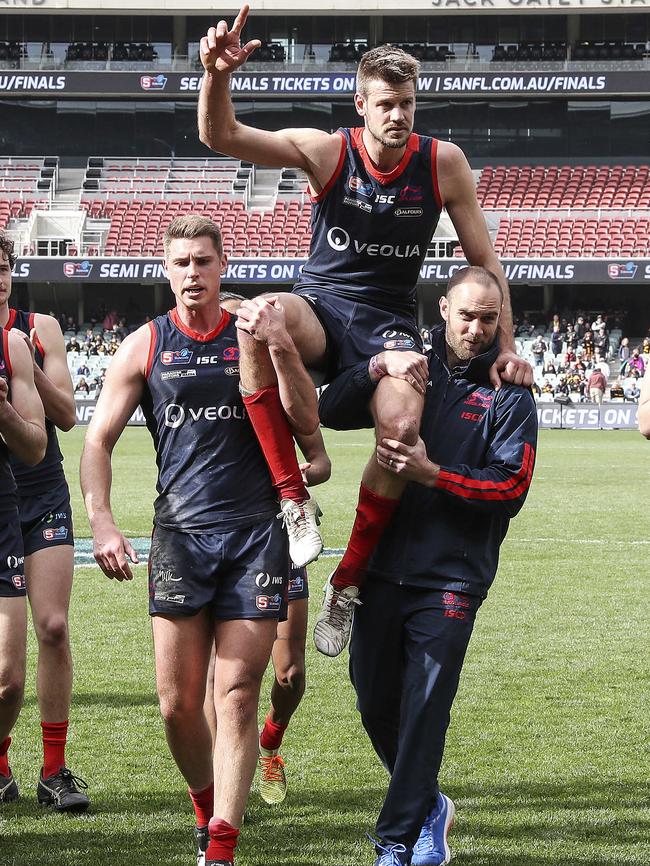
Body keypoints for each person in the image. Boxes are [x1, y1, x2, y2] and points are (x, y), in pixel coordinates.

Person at [198, 6, 531, 655]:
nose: (399, 115)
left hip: (389, 326)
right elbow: (222, 135)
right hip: (321, 308)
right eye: (385, 104)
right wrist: (215, 75)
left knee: (404, 427)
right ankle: (295, 500)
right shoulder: (328, 152)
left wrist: (505, 350)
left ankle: (347, 582)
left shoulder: (443, 164)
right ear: (361, 103)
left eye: (407, 103)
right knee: (257, 314)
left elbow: (485, 265)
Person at [80, 215, 318, 866]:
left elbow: (304, 418)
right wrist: (101, 519)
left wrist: (283, 347)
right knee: (177, 705)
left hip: (253, 538)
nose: (193, 273)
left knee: (237, 693)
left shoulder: (252, 335)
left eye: (204, 261)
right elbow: (97, 440)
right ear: (166, 270)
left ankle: (221, 845)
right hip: (181, 539)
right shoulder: (145, 347)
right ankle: (205, 803)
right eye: (182, 262)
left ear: (222, 266)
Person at [318, 266, 538, 865]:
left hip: (453, 575)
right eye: (466, 315)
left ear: (501, 321)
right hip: (384, 567)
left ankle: (398, 839)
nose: (475, 328)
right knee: (371, 697)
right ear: (443, 310)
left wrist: (432, 475)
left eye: (488, 319)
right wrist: (374, 366)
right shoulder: (411, 365)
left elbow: (510, 487)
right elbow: (328, 408)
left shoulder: (511, 392)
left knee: (426, 703)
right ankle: (427, 804)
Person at [214, 292, 331, 806]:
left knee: (290, 673)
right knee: (225, 677)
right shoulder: (203, 384)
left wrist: (309, 471)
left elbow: (321, 460)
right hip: (219, 535)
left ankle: (270, 743)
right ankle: (225, 783)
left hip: (279, 535)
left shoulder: (280, 378)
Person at [0, 233, 89, 812]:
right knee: (5, 664)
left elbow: (69, 416)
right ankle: (2, 760)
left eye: (4, 266)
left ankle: (54, 770)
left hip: (40, 489)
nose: (0, 276)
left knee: (53, 627)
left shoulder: (40, 326)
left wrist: (30, 368)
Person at [0, 325, 47, 802]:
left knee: (8, 682)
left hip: (1, 514)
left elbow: (35, 447)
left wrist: (2, 410)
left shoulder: (10, 344)